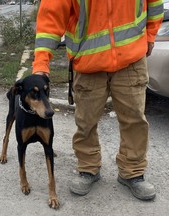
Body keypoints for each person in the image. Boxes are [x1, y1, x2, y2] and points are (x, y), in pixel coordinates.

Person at [32, 0, 164, 200]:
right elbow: (50, 16)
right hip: (88, 61)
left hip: (131, 58)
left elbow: (154, 2)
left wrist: (151, 34)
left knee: (134, 120)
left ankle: (133, 172)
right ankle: (88, 168)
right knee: (86, 122)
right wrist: (41, 62)